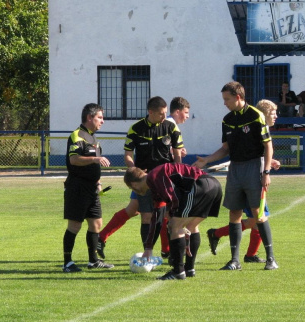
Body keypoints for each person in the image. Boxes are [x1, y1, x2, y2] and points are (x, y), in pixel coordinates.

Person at [193, 81, 279, 271]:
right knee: (234, 213)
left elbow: (268, 145)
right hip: (235, 169)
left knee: (258, 214)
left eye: (227, 99)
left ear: (238, 97)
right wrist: (207, 160)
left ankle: (270, 258)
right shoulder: (227, 120)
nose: (225, 103)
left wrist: (266, 172)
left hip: (254, 167)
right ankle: (234, 260)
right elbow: (226, 148)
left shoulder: (256, 116)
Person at [95, 96, 184, 259]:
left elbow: (178, 154)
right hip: (145, 182)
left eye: (165, 113)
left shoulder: (171, 127)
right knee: (147, 215)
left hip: (165, 179)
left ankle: (165, 250)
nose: (164, 116)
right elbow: (128, 155)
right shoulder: (136, 129)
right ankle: (152, 252)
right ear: (150, 112)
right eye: (161, 114)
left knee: (153, 212)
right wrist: (134, 171)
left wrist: (177, 174)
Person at [124, 163, 222, 280]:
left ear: (134, 184)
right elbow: (157, 215)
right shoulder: (154, 183)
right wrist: (148, 247)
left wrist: (173, 217)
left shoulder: (154, 177)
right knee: (191, 226)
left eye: (131, 188)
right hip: (213, 185)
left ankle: (178, 271)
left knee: (174, 226)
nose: (135, 191)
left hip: (200, 185)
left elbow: (172, 197)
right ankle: (189, 269)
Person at [61, 103, 114, 273]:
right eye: (100, 117)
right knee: (75, 225)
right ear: (89, 117)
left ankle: (93, 261)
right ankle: (67, 262)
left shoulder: (93, 138)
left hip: (92, 189)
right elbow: (74, 160)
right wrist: (95, 160)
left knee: (96, 223)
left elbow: (93, 167)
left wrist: (98, 182)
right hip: (77, 187)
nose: (102, 121)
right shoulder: (77, 135)